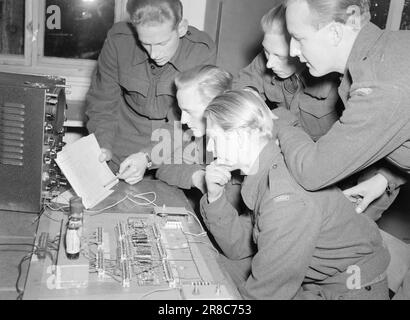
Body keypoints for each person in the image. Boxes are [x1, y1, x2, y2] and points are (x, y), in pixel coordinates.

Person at [200, 89, 390, 300]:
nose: (209, 147)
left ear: (242, 136)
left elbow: (265, 295)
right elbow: (237, 246)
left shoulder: (284, 199)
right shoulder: (266, 170)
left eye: (213, 138)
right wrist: (215, 197)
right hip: (317, 281)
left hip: (351, 289)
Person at [276, 0, 409, 218]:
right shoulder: (385, 52)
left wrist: (278, 120)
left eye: (299, 38)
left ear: (335, 33)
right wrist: (387, 176)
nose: (292, 50)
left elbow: (312, 171)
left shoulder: (379, 84)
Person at [85, 0, 216, 185]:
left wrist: (147, 157)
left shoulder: (200, 53)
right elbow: (103, 102)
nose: (154, 54)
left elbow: (183, 123)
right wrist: (103, 145)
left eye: (162, 43)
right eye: (145, 43)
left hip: (175, 144)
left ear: (181, 28)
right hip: (123, 138)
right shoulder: (118, 41)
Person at [233, 4, 343, 142]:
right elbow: (244, 80)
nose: (269, 63)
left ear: (299, 48)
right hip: (287, 144)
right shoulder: (269, 55)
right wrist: (250, 94)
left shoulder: (337, 77)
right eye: (267, 51)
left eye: (280, 56)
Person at [154, 65, 233, 193]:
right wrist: (199, 177)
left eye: (189, 111)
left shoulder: (242, 147)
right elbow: (165, 168)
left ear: (218, 107)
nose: (183, 120)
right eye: (181, 111)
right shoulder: (201, 135)